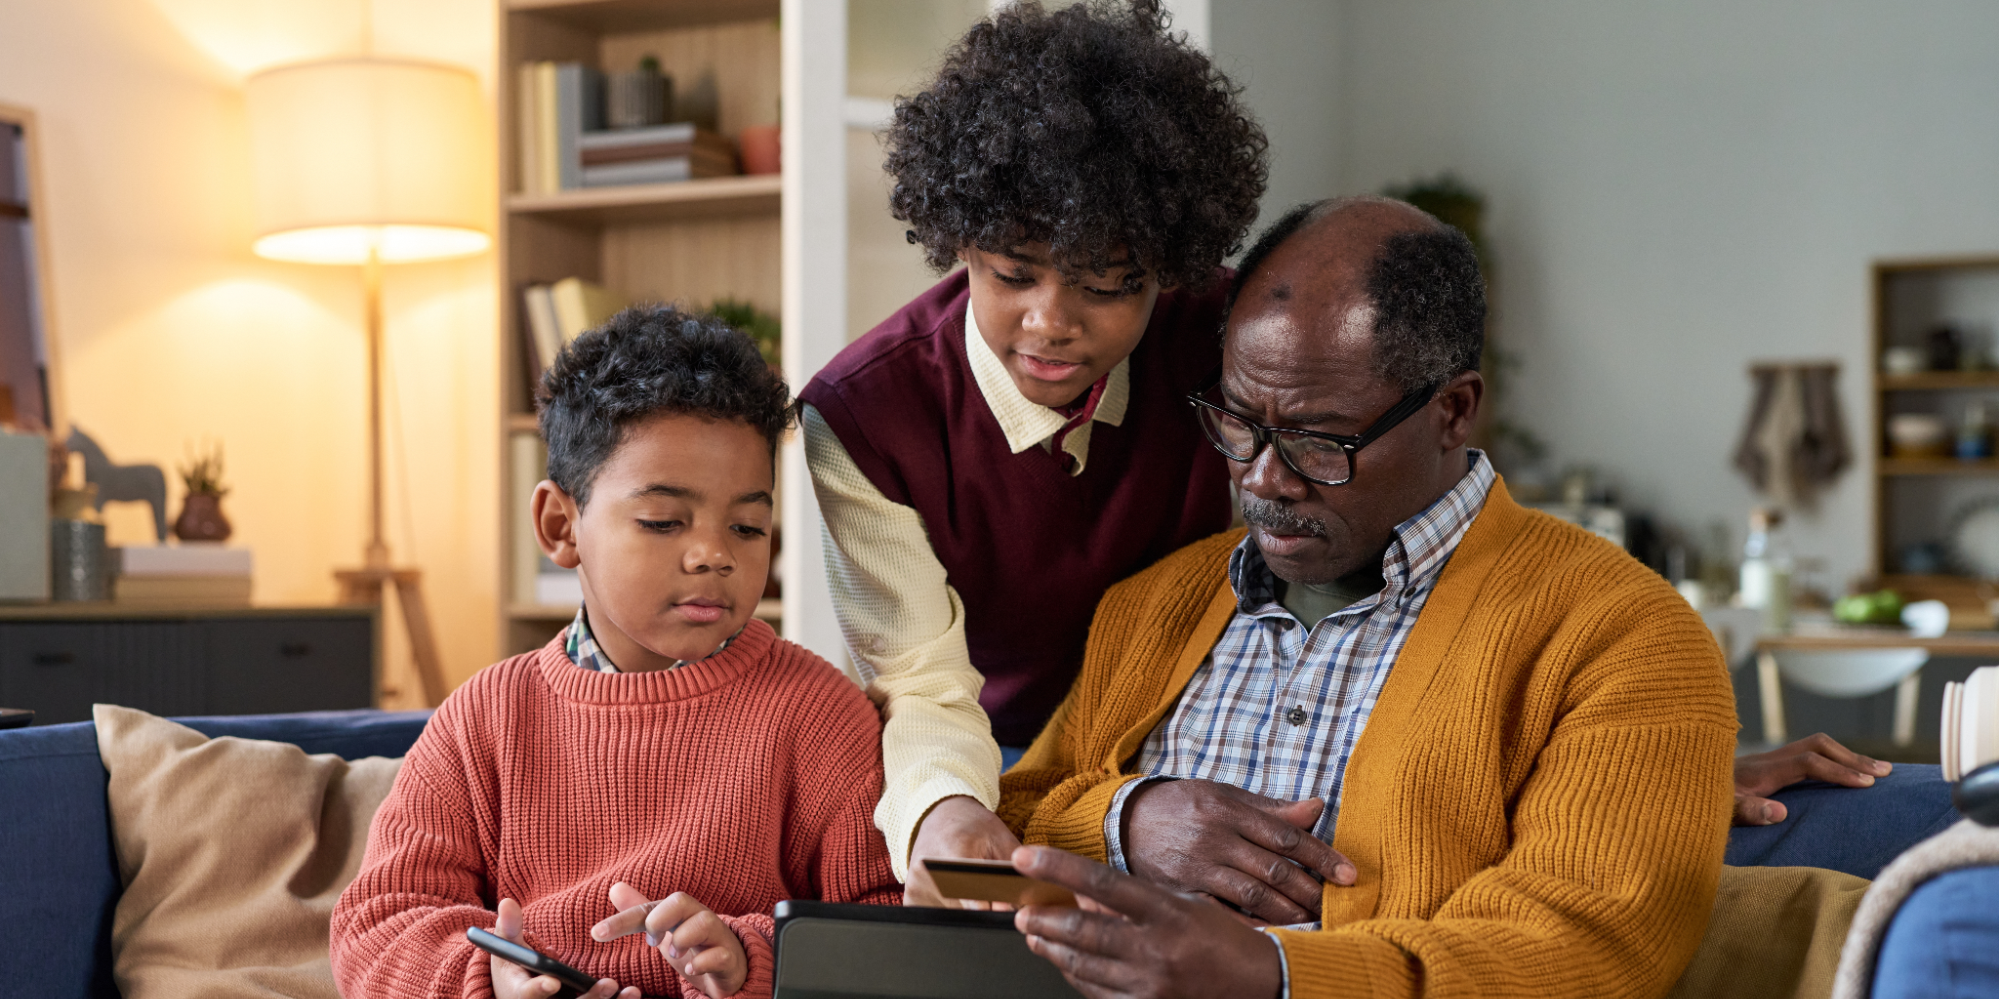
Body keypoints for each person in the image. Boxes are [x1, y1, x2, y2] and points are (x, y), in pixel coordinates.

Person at [996, 197, 1739, 998]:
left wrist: (1271, 975)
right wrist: (1126, 821)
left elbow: (1583, 951)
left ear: (1452, 410)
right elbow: (998, 835)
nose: (1262, 479)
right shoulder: (1152, 606)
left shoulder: (1626, 637)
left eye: (1320, 439)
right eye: (1239, 423)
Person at [796, 0, 1268, 896]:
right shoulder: (864, 417)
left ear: (1165, 274)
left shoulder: (1221, 333)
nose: (1050, 323)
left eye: (1105, 287)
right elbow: (924, 686)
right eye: (1013, 274)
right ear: (960, 238)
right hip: (997, 752)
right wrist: (943, 810)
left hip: (1200, 732)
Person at [330, 308, 898, 1000]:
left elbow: (888, 930)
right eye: (663, 521)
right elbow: (377, 925)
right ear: (559, 525)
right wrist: (490, 979)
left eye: (748, 526)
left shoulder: (818, 714)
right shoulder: (485, 716)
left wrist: (751, 959)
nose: (714, 554)